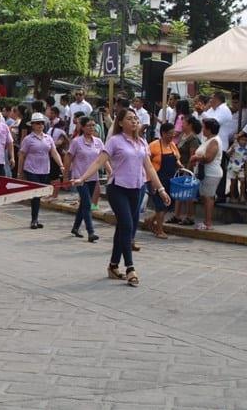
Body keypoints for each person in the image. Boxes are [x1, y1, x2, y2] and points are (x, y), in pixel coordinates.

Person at [72, 108, 171, 287]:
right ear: (120, 123)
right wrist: (82, 178)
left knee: (123, 228)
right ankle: (130, 268)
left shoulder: (142, 142)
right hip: (117, 188)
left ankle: (113, 265)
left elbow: (149, 168)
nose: (134, 121)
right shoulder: (114, 141)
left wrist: (161, 189)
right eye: (129, 119)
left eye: (135, 119)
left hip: (136, 189)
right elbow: (99, 162)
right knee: (127, 225)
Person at [17, 112, 64, 229]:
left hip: (44, 170)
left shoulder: (48, 138)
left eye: (42, 123)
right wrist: (20, 172)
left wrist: (61, 165)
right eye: (37, 123)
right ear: (32, 125)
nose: (40, 125)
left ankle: (36, 218)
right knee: (36, 195)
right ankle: (34, 219)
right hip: (31, 169)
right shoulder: (28, 139)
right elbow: (22, 155)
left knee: (40, 195)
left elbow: (54, 152)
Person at [64, 116, 105, 242]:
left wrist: (111, 172)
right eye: (88, 125)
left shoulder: (98, 141)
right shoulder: (77, 142)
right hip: (79, 177)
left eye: (93, 125)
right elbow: (69, 157)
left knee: (84, 204)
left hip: (93, 177)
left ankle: (75, 227)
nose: (91, 128)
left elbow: (103, 158)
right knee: (87, 204)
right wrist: (66, 174)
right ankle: (91, 231)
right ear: (82, 127)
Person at [144, 122, 181, 239]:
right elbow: (146, 163)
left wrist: (180, 165)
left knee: (168, 205)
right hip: (156, 179)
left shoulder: (172, 146)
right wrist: (151, 181)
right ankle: (159, 230)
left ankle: (150, 220)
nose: (172, 136)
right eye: (169, 134)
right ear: (163, 133)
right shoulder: (153, 146)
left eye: (173, 134)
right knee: (160, 206)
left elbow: (176, 159)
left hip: (170, 180)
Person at [191, 118, 223, 231]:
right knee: (205, 197)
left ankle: (208, 222)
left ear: (209, 129)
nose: (203, 130)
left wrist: (196, 157)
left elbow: (209, 158)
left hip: (211, 172)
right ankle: (206, 221)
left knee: (208, 197)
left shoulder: (214, 141)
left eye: (204, 127)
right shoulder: (208, 140)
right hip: (205, 172)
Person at [169, 116, 202, 226]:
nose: (182, 125)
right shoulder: (183, 136)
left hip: (188, 169)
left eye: (184, 123)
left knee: (189, 194)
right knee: (180, 192)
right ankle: (177, 215)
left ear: (190, 125)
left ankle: (190, 216)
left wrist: (187, 170)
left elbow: (192, 156)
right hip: (180, 168)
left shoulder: (193, 139)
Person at [202, 92, 232, 202]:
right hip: (210, 143)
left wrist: (203, 113)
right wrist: (204, 110)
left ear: (217, 99)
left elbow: (213, 123)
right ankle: (210, 194)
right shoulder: (213, 110)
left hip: (221, 144)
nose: (210, 101)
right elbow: (204, 120)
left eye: (212, 98)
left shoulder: (224, 109)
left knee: (220, 169)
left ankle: (220, 195)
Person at [226, 133, 247, 204]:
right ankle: (232, 197)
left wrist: (246, 171)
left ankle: (242, 196)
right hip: (232, 167)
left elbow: (246, 162)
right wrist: (232, 149)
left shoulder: (245, 151)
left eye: (246, 140)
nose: (244, 142)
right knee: (233, 182)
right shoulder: (234, 146)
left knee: (242, 182)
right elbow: (227, 154)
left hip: (241, 168)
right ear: (238, 140)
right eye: (242, 140)